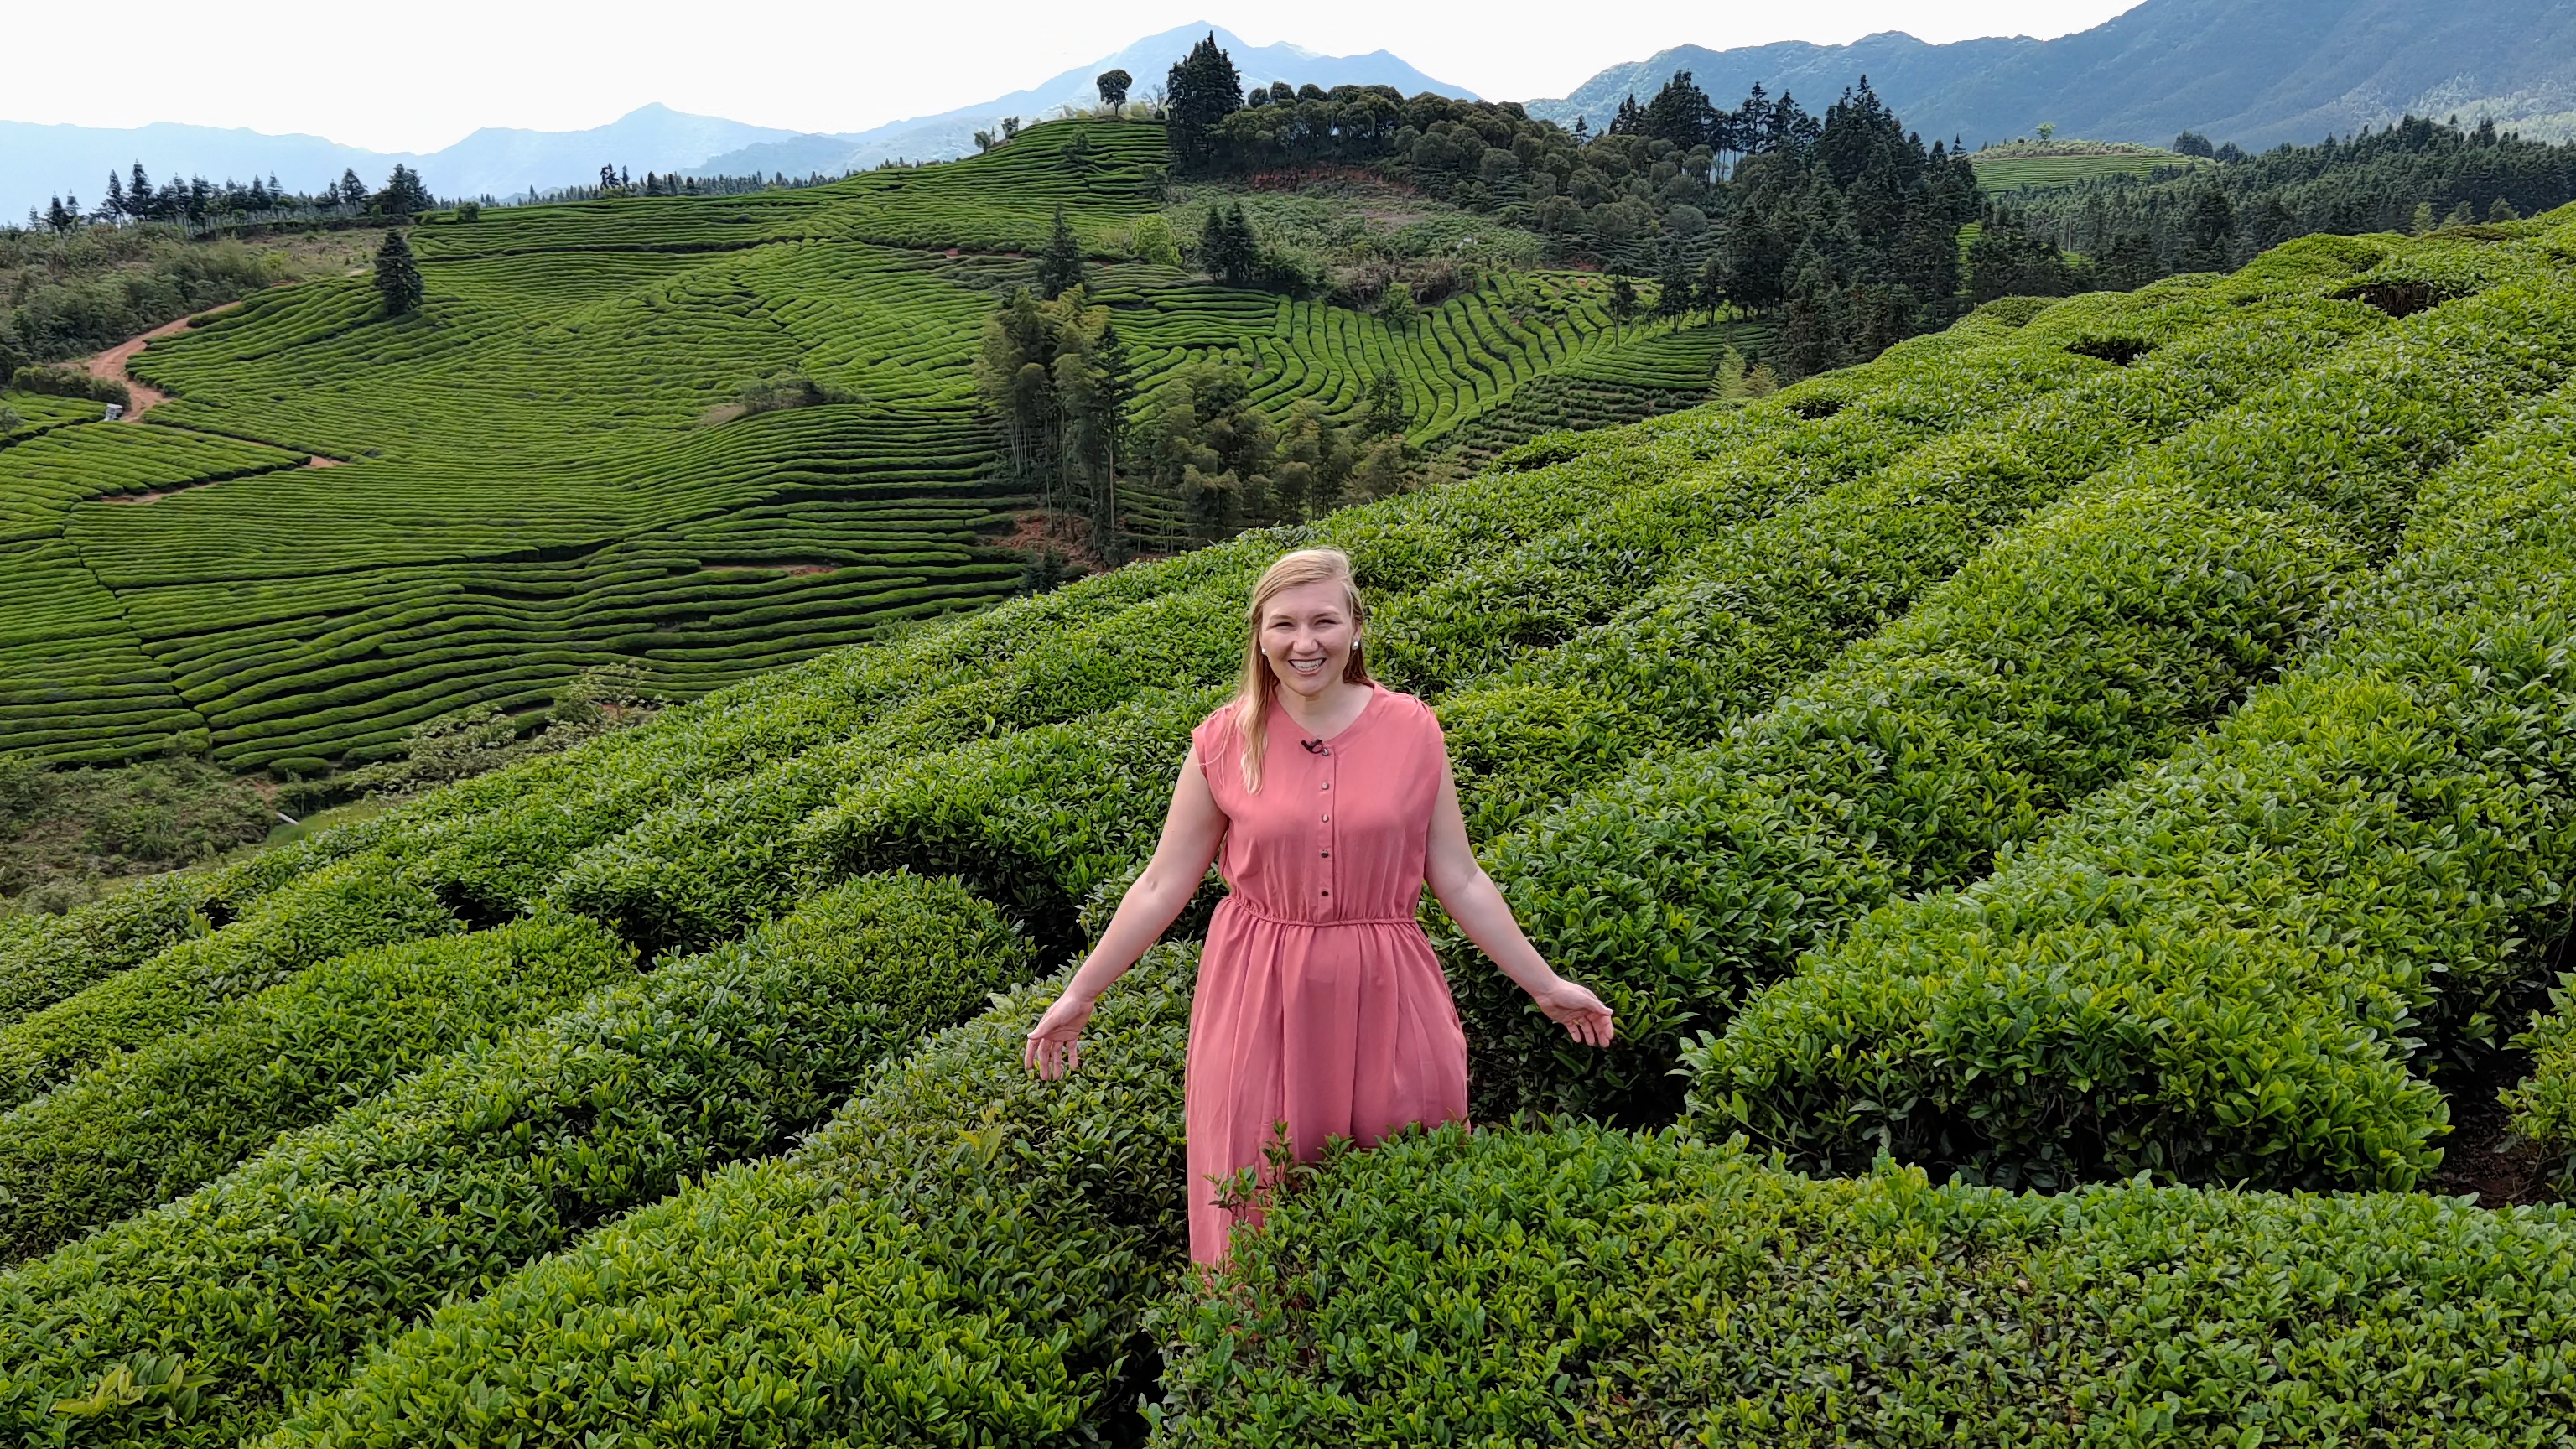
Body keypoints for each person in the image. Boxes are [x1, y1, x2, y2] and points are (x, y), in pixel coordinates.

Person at [1022, 546, 1615, 1266]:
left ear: (1356, 629)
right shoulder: (1222, 740)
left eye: (1325, 622)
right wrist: (1082, 992)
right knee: (1260, 1190)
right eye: (1285, 625)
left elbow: (1458, 878)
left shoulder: (1413, 730)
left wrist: (1544, 984)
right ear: (1260, 636)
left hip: (1389, 983)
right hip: (1259, 990)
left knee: (1405, 1176)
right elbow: (1161, 883)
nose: (1306, 644)